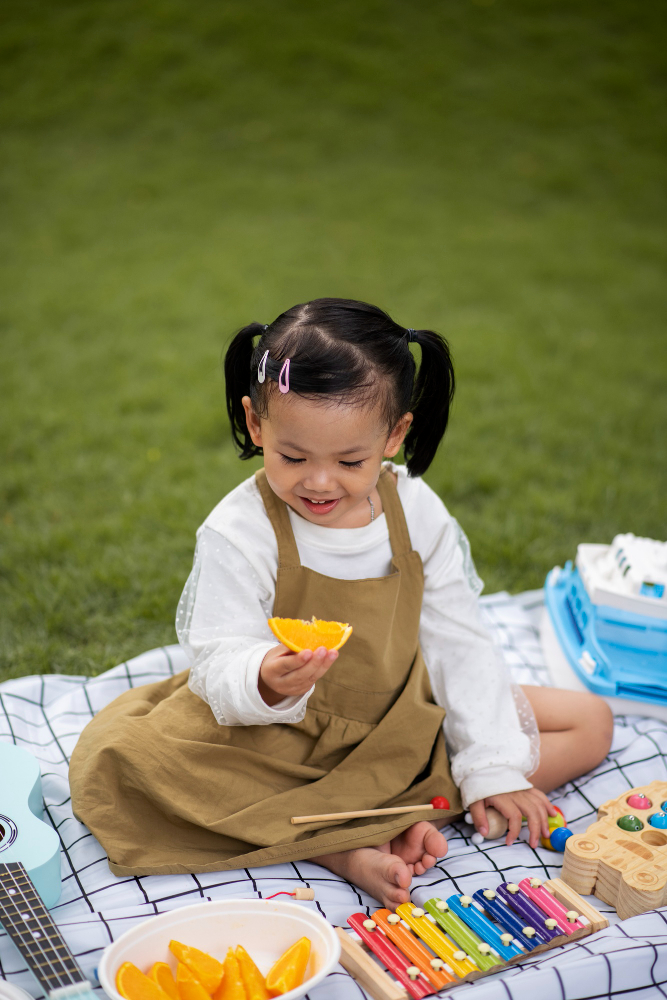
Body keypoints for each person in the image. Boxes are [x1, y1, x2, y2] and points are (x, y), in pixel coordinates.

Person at [69, 297, 613, 909]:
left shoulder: (417, 512)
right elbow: (218, 652)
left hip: (398, 715)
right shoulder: (239, 528)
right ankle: (349, 841)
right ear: (256, 425)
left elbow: (459, 640)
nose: (320, 482)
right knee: (127, 761)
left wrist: (492, 767)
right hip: (279, 737)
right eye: (293, 457)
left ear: (395, 434)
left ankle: (382, 815)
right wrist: (265, 678)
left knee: (590, 721)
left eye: (351, 461)